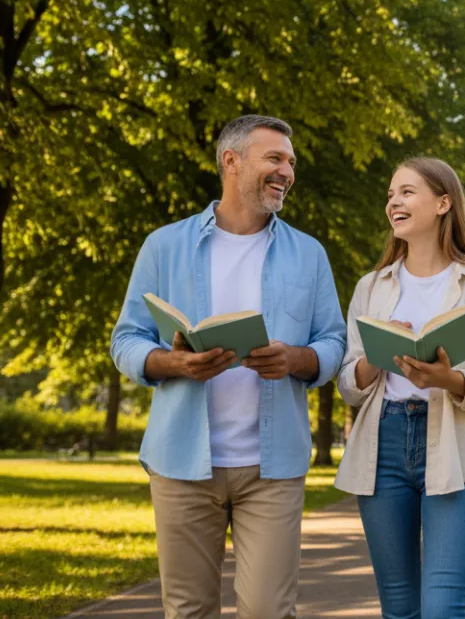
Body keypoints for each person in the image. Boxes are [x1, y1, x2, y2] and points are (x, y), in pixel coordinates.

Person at [111, 114, 347, 619]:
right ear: (231, 160)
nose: (287, 171)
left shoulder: (309, 254)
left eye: (291, 162)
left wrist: (296, 359)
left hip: (272, 467)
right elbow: (126, 340)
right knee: (188, 609)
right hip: (181, 463)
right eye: (275, 158)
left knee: (268, 609)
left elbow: (334, 342)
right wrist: (171, 362)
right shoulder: (164, 245)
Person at [335, 157, 465, 619]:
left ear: (442, 203)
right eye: (391, 194)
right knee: (398, 608)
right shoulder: (371, 287)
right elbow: (348, 383)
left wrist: (449, 379)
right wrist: (374, 362)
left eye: (407, 191)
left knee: (442, 607)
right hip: (384, 446)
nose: (394, 201)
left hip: (454, 445)